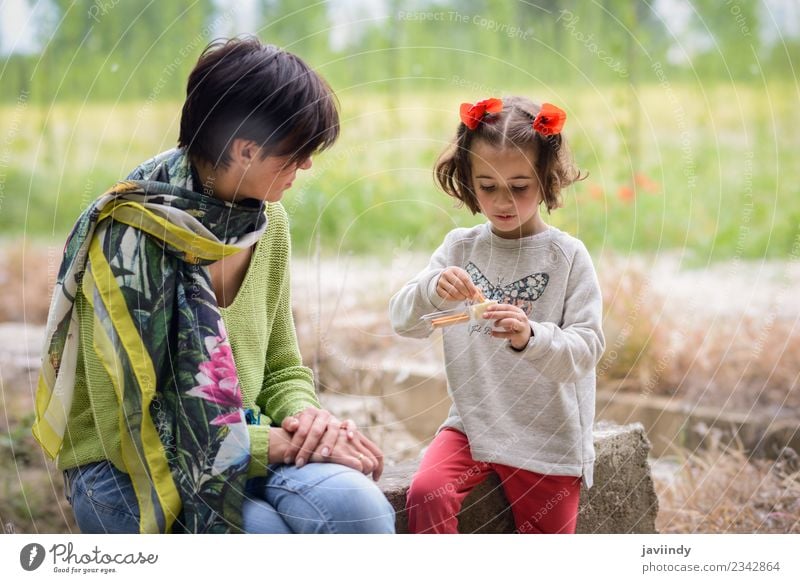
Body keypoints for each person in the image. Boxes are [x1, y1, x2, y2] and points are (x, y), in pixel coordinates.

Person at [32, 36, 395, 534]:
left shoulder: (268, 224)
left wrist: (312, 423)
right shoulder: (128, 238)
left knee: (363, 508)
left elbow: (281, 368)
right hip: (127, 469)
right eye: (296, 154)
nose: (307, 165)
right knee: (262, 534)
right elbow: (135, 425)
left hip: (249, 442)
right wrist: (278, 445)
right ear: (246, 151)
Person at [389, 96, 605, 534]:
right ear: (469, 182)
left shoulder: (567, 257)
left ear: (546, 180)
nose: (503, 201)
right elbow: (404, 323)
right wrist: (431, 291)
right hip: (473, 427)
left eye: (520, 186)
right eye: (487, 186)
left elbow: (587, 349)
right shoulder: (460, 249)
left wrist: (531, 337)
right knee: (425, 492)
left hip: (548, 438)